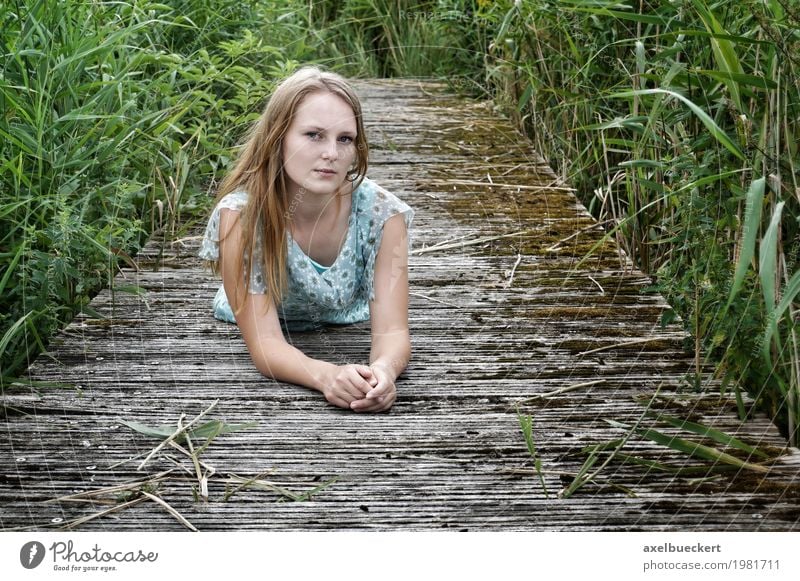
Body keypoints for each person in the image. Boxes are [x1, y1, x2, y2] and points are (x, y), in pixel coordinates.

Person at [198, 66, 413, 413]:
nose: (332, 153)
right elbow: (266, 345)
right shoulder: (241, 218)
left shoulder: (382, 214)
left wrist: (382, 373)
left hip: (345, 313)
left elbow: (392, 331)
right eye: (314, 135)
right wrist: (327, 375)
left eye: (345, 139)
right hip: (261, 313)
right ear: (278, 137)